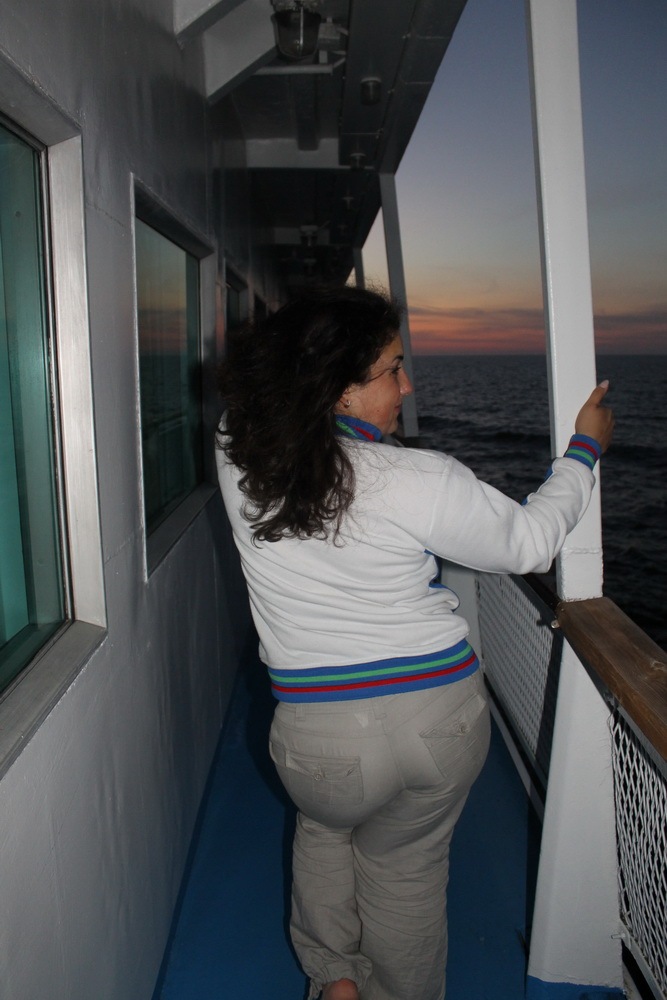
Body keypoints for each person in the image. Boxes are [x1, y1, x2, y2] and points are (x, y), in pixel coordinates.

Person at [216, 286, 614, 1000]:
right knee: (404, 871)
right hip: (438, 720)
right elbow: (529, 542)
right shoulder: (418, 479)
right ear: (340, 389)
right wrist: (584, 450)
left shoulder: (236, 456)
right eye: (393, 368)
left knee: (323, 826)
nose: (407, 386)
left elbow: (257, 412)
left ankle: (334, 976)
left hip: (319, 732)